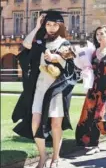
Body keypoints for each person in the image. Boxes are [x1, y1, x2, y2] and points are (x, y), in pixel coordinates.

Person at [12, 10, 78, 168]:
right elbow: (26, 45)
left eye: (55, 24)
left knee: (56, 124)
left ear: (60, 26)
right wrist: (36, 27)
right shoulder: (40, 41)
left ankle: (55, 157)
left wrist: (58, 59)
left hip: (56, 89)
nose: (51, 28)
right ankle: (43, 156)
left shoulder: (65, 44)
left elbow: (71, 70)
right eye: (48, 24)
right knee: (35, 123)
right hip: (40, 89)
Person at [75, 25, 106, 154]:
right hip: (94, 87)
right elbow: (89, 68)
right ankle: (94, 145)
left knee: (100, 116)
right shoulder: (94, 52)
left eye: (102, 34)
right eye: (97, 34)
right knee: (90, 116)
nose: (99, 37)